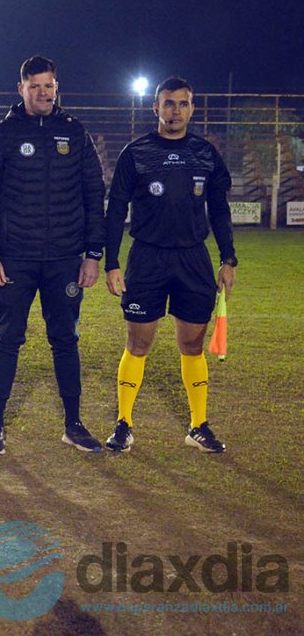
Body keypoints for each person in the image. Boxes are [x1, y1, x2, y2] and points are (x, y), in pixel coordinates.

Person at [0, 55, 106, 455]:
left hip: (65, 258)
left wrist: (92, 254)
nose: (44, 93)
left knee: (65, 340)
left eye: (49, 86)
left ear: (56, 87)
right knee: (7, 338)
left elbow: (94, 194)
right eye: (35, 87)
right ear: (21, 89)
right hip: (14, 259)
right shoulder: (3, 134)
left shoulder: (74, 132)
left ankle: (73, 424)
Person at [104, 77, 236, 454]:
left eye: (182, 104)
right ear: (155, 108)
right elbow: (115, 211)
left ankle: (198, 426)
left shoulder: (205, 153)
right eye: (168, 103)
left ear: (192, 109)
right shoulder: (137, 153)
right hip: (147, 258)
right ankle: (124, 423)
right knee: (138, 342)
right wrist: (112, 262)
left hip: (193, 258)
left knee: (192, 344)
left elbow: (220, 210)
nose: (175, 111)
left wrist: (228, 258)